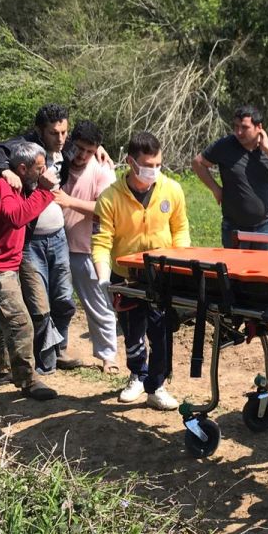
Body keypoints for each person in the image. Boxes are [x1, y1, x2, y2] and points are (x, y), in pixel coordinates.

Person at [92, 131, 191, 410]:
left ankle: (156, 385)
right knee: (133, 331)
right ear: (130, 163)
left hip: (162, 276)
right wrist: (102, 276)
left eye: (158, 165)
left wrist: (181, 262)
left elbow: (180, 229)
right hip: (127, 277)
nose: (154, 171)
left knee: (161, 331)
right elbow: (100, 241)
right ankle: (137, 373)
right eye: (148, 166)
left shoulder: (172, 190)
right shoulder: (109, 198)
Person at [0, 138, 66, 401]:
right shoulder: (0, 185)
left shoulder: (18, 181)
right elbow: (17, 217)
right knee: (20, 323)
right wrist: (45, 192)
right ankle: (28, 381)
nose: (44, 173)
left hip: (6, 261)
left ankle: (2, 370)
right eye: (40, 169)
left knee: (5, 319)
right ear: (22, 168)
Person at [19, 103, 79, 376]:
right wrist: (6, 171)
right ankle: (45, 360)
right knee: (39, 304)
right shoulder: (23, 150)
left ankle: (61, 347)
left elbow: (88, 143)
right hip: (31, 242)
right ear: (40, 131)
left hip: (58, 237)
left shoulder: (66, 151)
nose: (61, 138)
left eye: (64, 131)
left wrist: (100, 149)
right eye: (54, 133)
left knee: (64, 299)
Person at [57, 119, 120, 374]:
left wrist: (68, 201)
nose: (82, 155)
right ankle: (55, 351)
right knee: (56, 302)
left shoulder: (103, 170)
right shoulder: (58, 160)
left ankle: (109, 357)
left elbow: (106, 209)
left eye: (89, 151)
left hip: (87, 248)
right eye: (80, 148)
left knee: (98, 305)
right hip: (55, 245)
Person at [192, 104, 268, 249]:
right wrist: (215, 189)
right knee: (233, 270)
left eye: (244, 127)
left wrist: (267, 148)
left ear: (258, 127)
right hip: (234, 226)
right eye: (236, 126)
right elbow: (198, 163)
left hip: (265, 226)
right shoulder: (225, 145)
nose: (239, 132)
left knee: (261, 270)